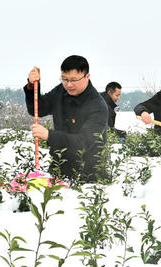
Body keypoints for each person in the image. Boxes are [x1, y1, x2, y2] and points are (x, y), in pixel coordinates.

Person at [25, 55, 108, 183]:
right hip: (60, 166)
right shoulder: (61, 91)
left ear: (87, 76)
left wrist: (49, 135)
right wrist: (32, 86)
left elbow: (82, 142)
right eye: (64, 79)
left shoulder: (98, 105)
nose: (69, 84)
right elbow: (38, 109)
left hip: (89, 175)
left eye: (74, 80)